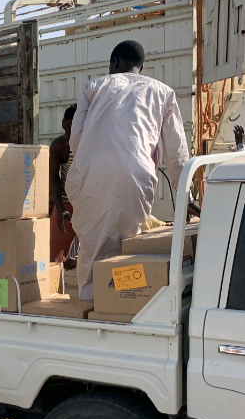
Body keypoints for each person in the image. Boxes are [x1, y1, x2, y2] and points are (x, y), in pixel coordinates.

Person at [68, 40, 189, 300]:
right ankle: (124, 304)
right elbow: (177, 152)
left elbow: (76, 139)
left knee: (93, 247)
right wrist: (185, 192)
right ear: (141, 67)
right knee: (129, 245)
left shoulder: (94, 86)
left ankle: (92, 306)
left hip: (93, 175)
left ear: (114, 63)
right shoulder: (164, 92)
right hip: (137, 175)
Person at [48, 104, 78, 269]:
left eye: (71, 132)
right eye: (65, 130)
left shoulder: (96, 146)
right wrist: (60, 209)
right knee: (55, 260)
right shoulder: (59, 145)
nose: (67, 137)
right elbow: (53, 178)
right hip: (67, 203)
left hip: (91, 204)